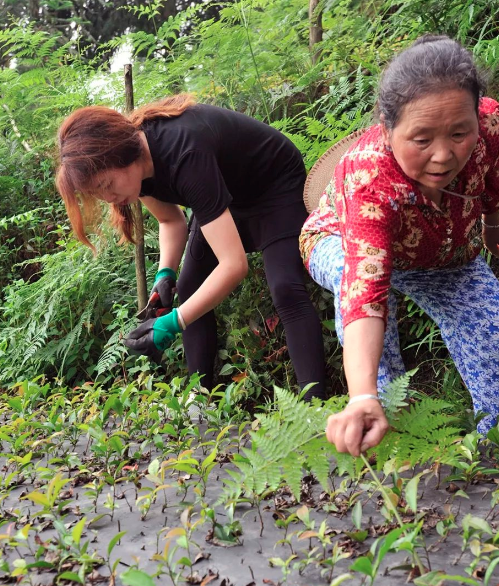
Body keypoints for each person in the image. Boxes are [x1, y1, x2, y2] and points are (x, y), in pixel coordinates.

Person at [300, 34, 499, 456]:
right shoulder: (369, 175)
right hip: (343, 240)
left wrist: (493, 233)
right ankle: (387, 421)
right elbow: (364, 293)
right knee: (360, 287)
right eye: (422, 140)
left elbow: (495, 189)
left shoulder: (492, 126)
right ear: (388, 130)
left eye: (459, 134)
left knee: (492, 335)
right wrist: (361, 395)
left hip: (446, 254)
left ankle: (492, 447)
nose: (443, 156)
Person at [56, 95, 326, 399]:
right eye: (98, 192)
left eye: (106, 185)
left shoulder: (184, 152)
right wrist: (164, 275)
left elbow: (234, 265)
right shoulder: (137, 170)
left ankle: (312, 406)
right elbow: (171, 221)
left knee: (285, 288)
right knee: (188, 287)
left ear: (121, 154)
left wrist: (175, 321)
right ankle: (202, 399)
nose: (108, 198)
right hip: (227, 194)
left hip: (275, 186)